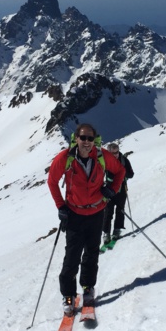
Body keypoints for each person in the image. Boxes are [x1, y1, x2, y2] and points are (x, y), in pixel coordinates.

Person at [47, 123, 125, 315]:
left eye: (90, 138)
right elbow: (52, 181)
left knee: (91, 254)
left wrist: (112, 189)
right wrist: (61, 206)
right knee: (72, 258)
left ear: (95, 140)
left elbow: (120, 172)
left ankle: (88, 288)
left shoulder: (101, 157)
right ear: (76, 139)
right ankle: (68, 295)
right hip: (74, 214)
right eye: (83, 138)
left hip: (97, 212)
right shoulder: (65, 158)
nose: (87, 142)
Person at [102, 143, 134, 246]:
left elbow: (131, 174)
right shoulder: (105, 161)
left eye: (116, 152)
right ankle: (106, 233)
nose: (114, 155)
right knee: (108, 212)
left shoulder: (124, 160)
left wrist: (122, 174)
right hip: (109, 190)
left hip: (121, 190)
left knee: (120, 210)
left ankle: (117, 230)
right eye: (112, 153)